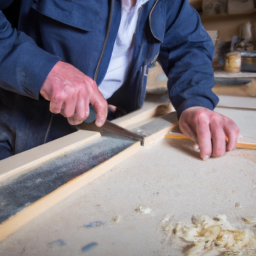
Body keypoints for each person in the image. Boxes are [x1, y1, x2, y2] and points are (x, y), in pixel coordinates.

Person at [0, 0, 239, 161]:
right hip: (9, 127)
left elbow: (189, 46)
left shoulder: (169, 4)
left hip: (83, 131)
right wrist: (42, 69)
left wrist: (195, 102)